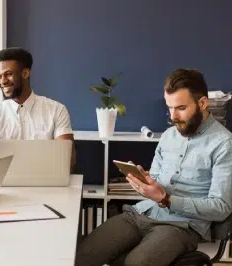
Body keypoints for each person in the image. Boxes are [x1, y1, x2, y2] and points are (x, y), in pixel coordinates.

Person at [75, 68, 232, 266]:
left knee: (136, 263)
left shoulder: (224, 144)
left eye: (181, 108)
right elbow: (157, 181)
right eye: (170, 108)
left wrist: (166, 199)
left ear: (202, 103)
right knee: (83, 253)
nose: (173, 116)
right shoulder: (168, 136)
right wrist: (145, 183)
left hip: (182, 226)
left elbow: (221, 208)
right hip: (143, 213)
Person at [0, 47, 75, 166]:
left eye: (8, 74)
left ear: (25, 73)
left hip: (46, 182)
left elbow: (67, 158)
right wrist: (9, 169)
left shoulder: (57, 110)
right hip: (7, 182)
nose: (2, 81)